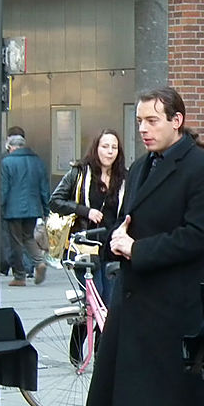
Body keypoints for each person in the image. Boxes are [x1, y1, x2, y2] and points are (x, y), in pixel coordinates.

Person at [63, 86, 204, 406]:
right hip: (132, 297)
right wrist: (112, 242)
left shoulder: (203, 169)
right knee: (108, 393)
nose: (143, 129)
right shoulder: (139, 167)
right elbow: (128, 223)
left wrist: (138, 249)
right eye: (139, 121)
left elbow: (200, 236)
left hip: (177, 302)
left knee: (173, 399)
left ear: (177, 119)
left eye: (152, 120)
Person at [49, 129, 125, 301]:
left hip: (112, 248)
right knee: (93, 300)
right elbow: (55, 201)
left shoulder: (123, 177)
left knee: (109, 304)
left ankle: (95, 329)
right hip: (86, 245)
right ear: (96, 148)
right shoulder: (80, 172)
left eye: (114, 147)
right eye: (105, 146)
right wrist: (86, 211)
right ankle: (85, 329)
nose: (110, 151)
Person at [0, 134, 49, 286]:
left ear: (11, 147)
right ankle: (39, 262)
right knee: (28, 237)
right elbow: (44, 188)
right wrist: (46, 208)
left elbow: (4, 188)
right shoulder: (37, 161)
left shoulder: (7, 162)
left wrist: (0, 206)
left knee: (15, 242)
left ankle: (19, 276)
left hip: (13, 210)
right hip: (33, 208)